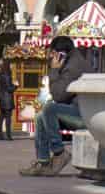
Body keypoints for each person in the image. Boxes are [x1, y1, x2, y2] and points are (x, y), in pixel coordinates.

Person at [25, 35, 94, 176]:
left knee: (49, 109)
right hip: (78, 110)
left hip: (84, 115)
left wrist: (54, 70)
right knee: (40, 114)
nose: (51, 58)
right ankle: (43, 161)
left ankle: (59, 153)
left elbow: (58, 96)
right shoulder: (72, 61)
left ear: (59, 54)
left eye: (53, 54)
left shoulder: (73, 67)